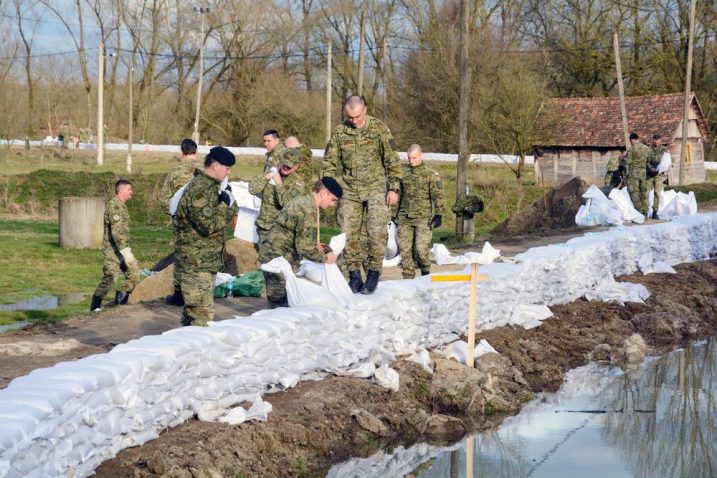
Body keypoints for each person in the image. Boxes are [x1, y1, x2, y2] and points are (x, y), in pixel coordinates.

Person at [323, 95, 402, 294]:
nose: (354, 121)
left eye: (357, 116)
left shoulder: (379, 129)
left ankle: (374, 273)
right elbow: (329, 163)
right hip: (349, 189)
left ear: (365, 110)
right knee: (348, 233)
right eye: (350, 117)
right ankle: (354, 275)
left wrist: (394, 188)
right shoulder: (340, 131)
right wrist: (328, 187)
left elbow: (392, 160)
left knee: (376, 233)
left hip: (376, 188)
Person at [175, 147, 238, 326]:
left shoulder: (210, 187)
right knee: (201, 316)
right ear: (216, 166)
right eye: (227, 167)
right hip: (196, 263)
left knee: (194, 314)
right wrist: (224, 205)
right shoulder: (200, 189)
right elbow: (208, 225)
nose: (229, 171)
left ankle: (188, 350)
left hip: (204, 261)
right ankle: (194, 352)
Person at [258, 177, 343, 308]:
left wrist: (315, 245)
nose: (333, 205)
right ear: (323, 193)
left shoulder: (305, 201)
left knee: (283, 299)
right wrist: (326, 258)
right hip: (276, 257)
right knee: (280, 303)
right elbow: (304, 247)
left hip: (276, 254)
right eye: (333, 200)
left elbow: (300, 236)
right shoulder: (308, 209)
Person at [160, 138, 201, 306]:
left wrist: (174, 214)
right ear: (196, 152)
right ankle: (200, 291)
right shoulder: (204, 171)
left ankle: (179, 294)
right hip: (201, 220)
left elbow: (165, 200)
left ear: (181, 153)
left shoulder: (175, 173)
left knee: (181, 254)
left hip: (181, 221)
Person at [396, 144, 445, 279]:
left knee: (421, 251)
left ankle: (425, 275)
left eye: (414, 158)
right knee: (405, 253)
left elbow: (438, 195)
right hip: (404, 218)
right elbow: (396, 194)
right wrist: (392, 217)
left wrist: (439, 214)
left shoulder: (431, 174)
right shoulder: (402, 172)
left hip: (423, 219)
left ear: (421, 155)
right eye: (409, 158)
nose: (411, 161)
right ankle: (408, 281)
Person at [90, 179, 140, 311]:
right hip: (113, 251)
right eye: (129, 189)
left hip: (121, 250)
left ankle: (120, 307)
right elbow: (117, 232)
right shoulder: (115, 206)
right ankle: (95, 307)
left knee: (133, 274)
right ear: (121, 190)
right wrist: (125, 251)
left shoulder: (121, 206)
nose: (132, 192)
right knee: (110, 278)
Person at [248, 147, 305, 250]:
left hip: (280, 232)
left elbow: (287, 204)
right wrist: (266, 176)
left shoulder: (298, 184)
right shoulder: (272, 172)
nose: (286, 167)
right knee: (263, 262)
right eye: (284, 163)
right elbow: (253, 189)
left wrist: (279, 183)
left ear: (297, 166)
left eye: (290, 166)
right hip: (263, 227)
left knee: (276, 263)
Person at [626, 132, 652, 216]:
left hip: (634, 174)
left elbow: (628, 161)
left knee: (634, 192)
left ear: (632, 140)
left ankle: (638, 210)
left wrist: (623, 159)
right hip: (643, 173)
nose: (630, 143)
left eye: (630, 141)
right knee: (643, 192)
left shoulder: (632, 149)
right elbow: (649, 160)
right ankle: (645, 211)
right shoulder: (647, 148)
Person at [647, 133, 668, 219]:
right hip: (649, 174)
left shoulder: (664, 149)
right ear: (652, 140)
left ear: (660, 141)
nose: (656, 142)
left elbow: (669, 160)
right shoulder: (648, 149)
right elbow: (645, 160)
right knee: (646, 192)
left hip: (659, 174)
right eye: (654, 140)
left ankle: (655, 212)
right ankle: (645, 211)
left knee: (657, 193)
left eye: (658, 141)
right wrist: (650, 167)